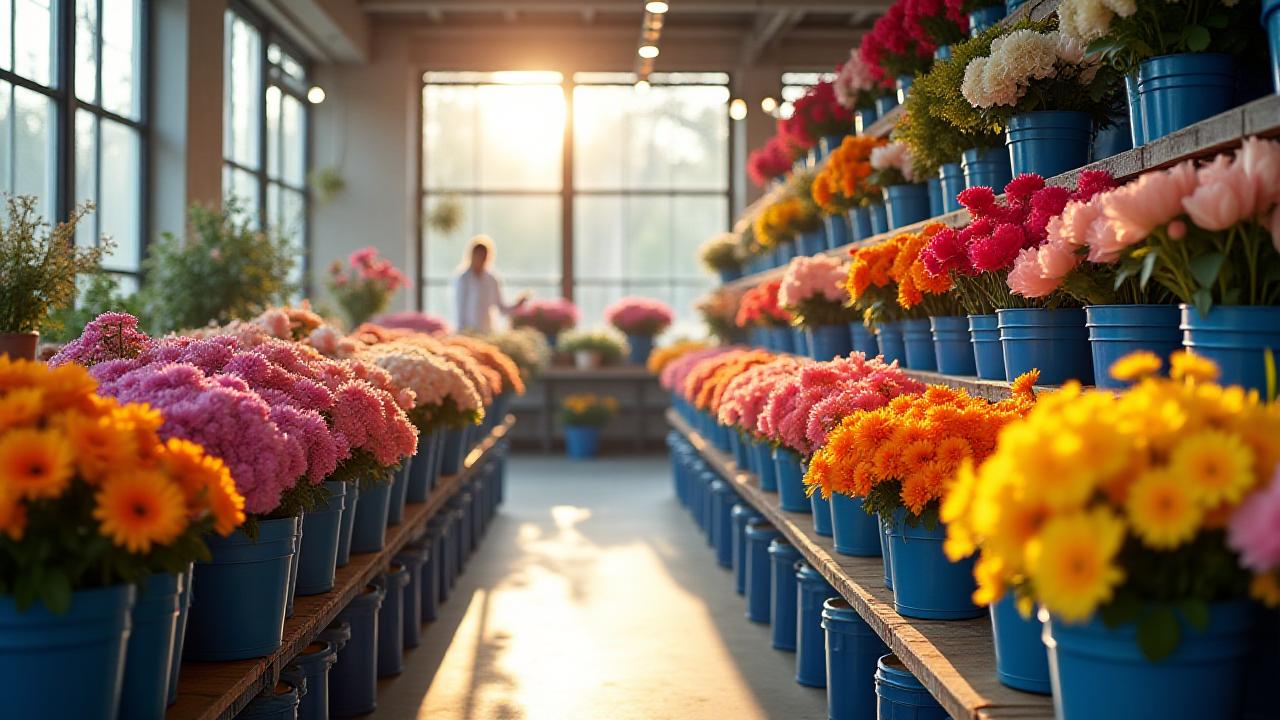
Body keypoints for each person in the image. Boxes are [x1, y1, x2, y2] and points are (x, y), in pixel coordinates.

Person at [453, 235, 528, 333]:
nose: (481, 258)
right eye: (479, 255)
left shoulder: (491, 278)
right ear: (472, 255)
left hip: (487, 330)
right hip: (468, 332)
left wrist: (517, 305)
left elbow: (501, 308)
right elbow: (460, 309)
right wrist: (462, 332)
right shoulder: (463, 278)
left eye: (484, 255)